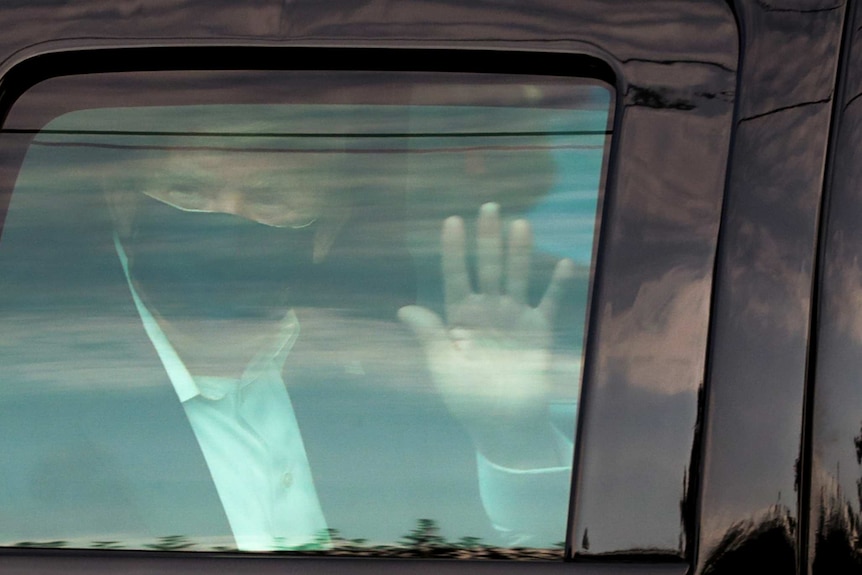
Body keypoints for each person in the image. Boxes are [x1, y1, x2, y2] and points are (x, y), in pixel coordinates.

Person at [0, 139, 578, 552]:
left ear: (324, 230)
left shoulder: (387, 383)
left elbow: (525, 553)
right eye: (188, 191)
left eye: (271, 197)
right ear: (123, 205)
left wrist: (512, 436)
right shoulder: (32, 398)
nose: (226, 219)